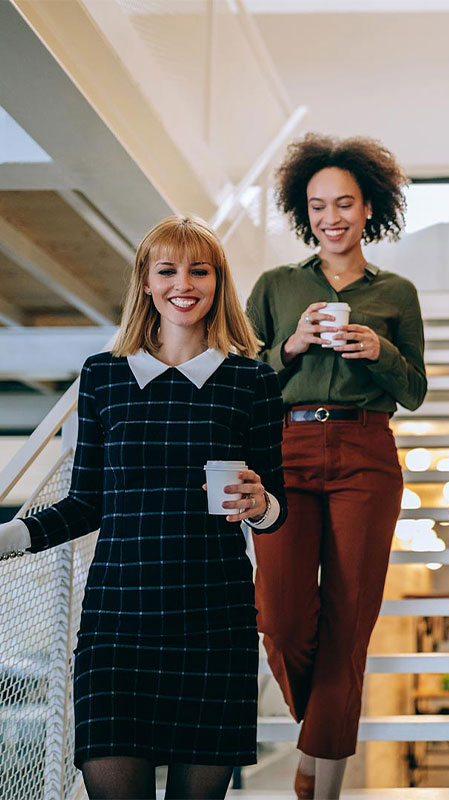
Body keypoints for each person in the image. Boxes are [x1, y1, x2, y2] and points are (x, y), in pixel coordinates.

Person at [0, 215, 287, 799]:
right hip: (118, 622)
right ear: (147, 282)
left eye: (199, 270)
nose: (185, 283)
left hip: (215, 619)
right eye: (168, 270)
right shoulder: (103, 376)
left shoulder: (252, 381)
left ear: (218, 282)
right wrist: (8, 537)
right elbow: (85, 504)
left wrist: (261, 506)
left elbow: (279, 507)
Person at [245, 133, 426, 800]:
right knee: (284, 618)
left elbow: (413, 390)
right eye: (318, 205)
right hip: (285, 451)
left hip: (366, 453)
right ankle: (317, 733)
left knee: (350, 621)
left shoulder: (396, 292)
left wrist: (378, 348)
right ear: (304, 211)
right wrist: (289, 346)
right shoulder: (276, 286)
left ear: (368, 207)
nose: (332, 218)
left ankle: (322, 785)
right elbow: (242, 383)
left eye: (344, 203)